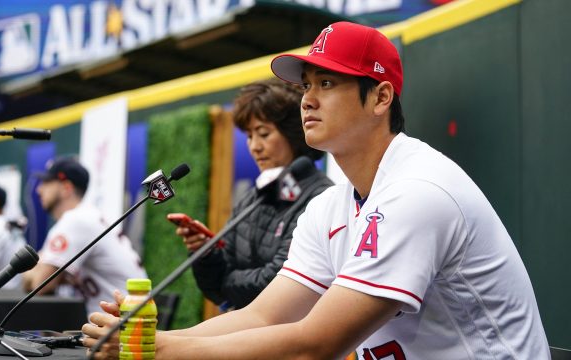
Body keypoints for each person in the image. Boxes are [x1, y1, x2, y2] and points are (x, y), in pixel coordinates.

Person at [82, 22, 549, 359]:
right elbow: (262, 318)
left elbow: (315, 344)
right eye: (306, 85)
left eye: (328, 83)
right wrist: (147, 342)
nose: (307, 98)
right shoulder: (331, 204)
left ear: (381, 98)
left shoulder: (418, 190)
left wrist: (162, 351)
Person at [176, 78, 333, 310]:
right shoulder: (253, 197)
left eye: (263, 133)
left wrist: (226, 284)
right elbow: (215, 287)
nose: (255, 146)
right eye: (249, 136)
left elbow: (276, 283)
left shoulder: (321, 197)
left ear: (293, 134)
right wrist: (206, 254)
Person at [22, 157, 146, 316]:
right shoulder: (86, 216)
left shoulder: (75, 220)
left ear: (66, 188)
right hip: (128, 318)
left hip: (125, 326)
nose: (39, 190)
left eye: (46, 183)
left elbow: (39, 285)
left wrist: (29, 273)